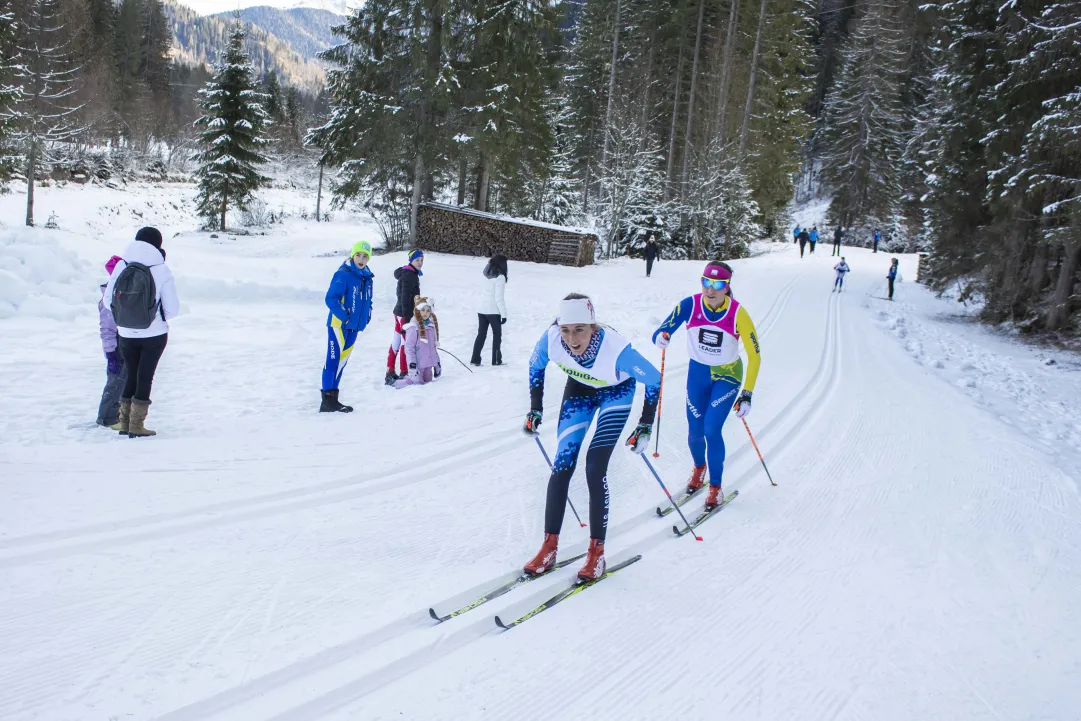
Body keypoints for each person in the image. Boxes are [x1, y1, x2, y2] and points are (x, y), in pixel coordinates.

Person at [522, 294, 661, 583]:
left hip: (617, 393)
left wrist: (645, 424)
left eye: (579, 330)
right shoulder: (550, 340)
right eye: (566, 330)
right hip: (580, 391)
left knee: (595, 467)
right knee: (562, 466)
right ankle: (549, 547)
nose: (572, 339)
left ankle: (596, 553)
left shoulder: (617, 350)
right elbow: (535, 367)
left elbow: (653, 379)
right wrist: (535, 408)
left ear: (592, 327)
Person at [652, 261, 761, 511]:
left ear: (727, 286)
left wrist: (747, 394)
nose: (710, 289)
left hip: (727, 376)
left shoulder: (738, 313)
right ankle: (699, 469)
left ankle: (715, 487)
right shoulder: (690, 305)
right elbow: (664, 328)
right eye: (706, 282)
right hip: (698, 374)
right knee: (694, 431)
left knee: (712, 429)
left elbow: (755, 356)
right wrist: (661, 336)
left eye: (718, 284)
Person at [104, 226, 179, 437]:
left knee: (130, 375)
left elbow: (108, 300)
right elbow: (172, 309)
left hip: (125, 333)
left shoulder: (121, 264)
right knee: (145, 377)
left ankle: (125, 423)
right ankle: (137, 425)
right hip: (154, 334)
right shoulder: (161, 269)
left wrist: (125, 319)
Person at [321, 241, 375, 412]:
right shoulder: (343, 274)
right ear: (353, 255)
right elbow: (331, 299)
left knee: (342, 362)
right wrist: (344, 317)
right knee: (333, 361)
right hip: (339, 325)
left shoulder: (367, 277)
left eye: (365, 256)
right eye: (358, 255)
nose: (361, 259)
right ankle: (327, 401)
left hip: (354, 326)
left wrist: (367, 316)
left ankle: (333, 400)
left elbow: (368, 300)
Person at [96, 255, 128, 430]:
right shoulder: (109, 298)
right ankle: (107, 417)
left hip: (124, 340)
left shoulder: (119, 293)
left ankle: (116, 414)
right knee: (116, 380)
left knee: (123, 380)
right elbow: (107, 329)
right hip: (115, 344)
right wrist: (110, 352)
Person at [386, 249, 424, 385]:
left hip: (400, 312)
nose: (420, 263)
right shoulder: (409, 275)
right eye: (417, 260)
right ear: (411, 261)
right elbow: (405, 297)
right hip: (404, 313)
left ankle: (390, 370)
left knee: (397, 341)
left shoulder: (409, 272)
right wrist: (407, 320)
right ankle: (404, 371)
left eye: (421, 260)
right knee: (406, 342)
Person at [394, 297, 442, 388]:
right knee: (415, 385)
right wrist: (412, 367)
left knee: (428, 387)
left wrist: (437, 364)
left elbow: (433, 348)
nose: (425, 313)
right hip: (418, 366)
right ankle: (396, 385)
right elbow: (409, 348)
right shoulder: (413, 327)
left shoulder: (431, 327)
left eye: (428, 311)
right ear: (417, 310)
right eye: (423, 310)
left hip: (428, 366)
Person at [470, 254, 507, 366]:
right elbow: (498, 298)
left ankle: (475, 359)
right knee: (497, 335)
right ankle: (496, 360)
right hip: (493, 311)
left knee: (481, 334)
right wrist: (504, 314)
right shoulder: (500, 277)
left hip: (481, 309)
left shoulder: (485, 274)